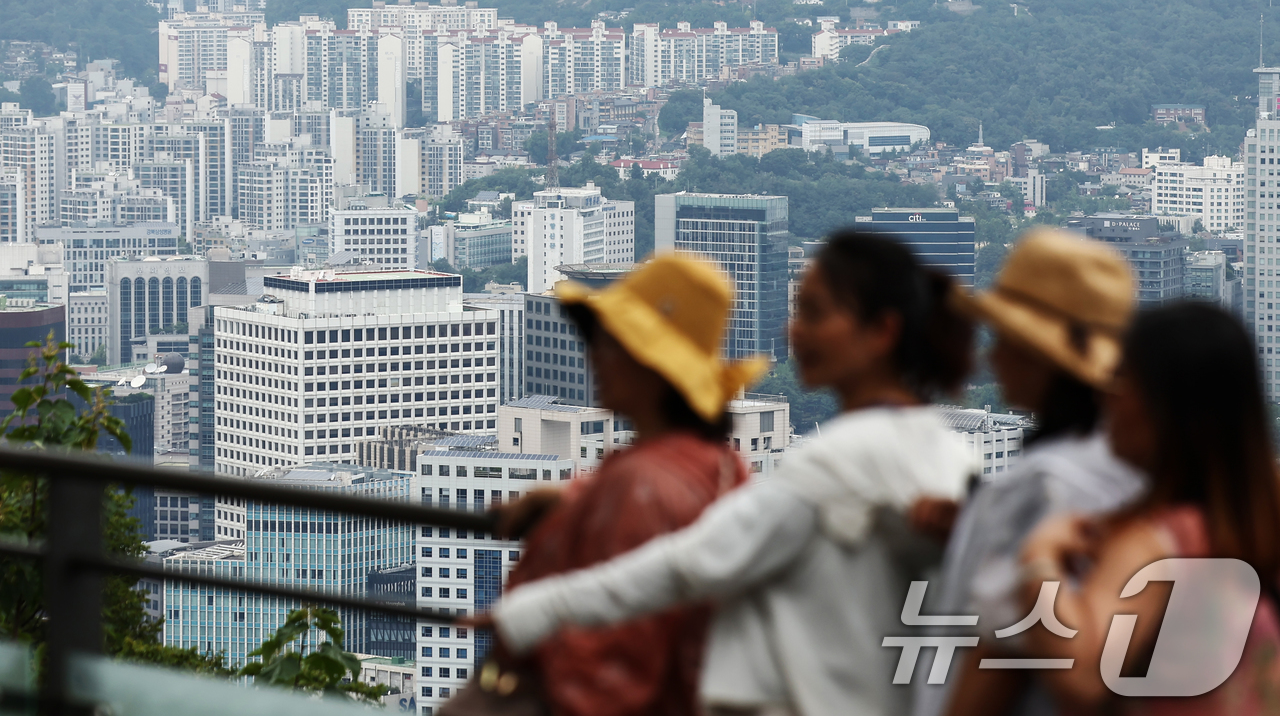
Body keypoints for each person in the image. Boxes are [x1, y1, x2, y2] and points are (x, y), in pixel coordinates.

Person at [484, 231, 979, 716]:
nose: (793, 330)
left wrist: (535, 612)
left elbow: (694, 561)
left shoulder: (834, 462)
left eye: (814, 312)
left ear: (882, 332)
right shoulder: (954, 452)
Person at [445, 253, 765, 716]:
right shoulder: (721, 465)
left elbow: (610, 677)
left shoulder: (641, 487)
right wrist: (575, 497)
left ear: (656, 370)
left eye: (613, 345)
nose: (594, 356)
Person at [1018, 302, 1280, 713]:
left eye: (1123, 380)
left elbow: (1082, 676)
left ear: (1165, 405)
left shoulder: (1156, 546)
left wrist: (1039, 559)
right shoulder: (1253, 528)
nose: (1107, 397)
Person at [926, 229, 1146, 716]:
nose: (993, 356)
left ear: (1042, 355)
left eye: (1007, 338)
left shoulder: (1039, 486)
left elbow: (1003, 650)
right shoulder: (1131, 477)